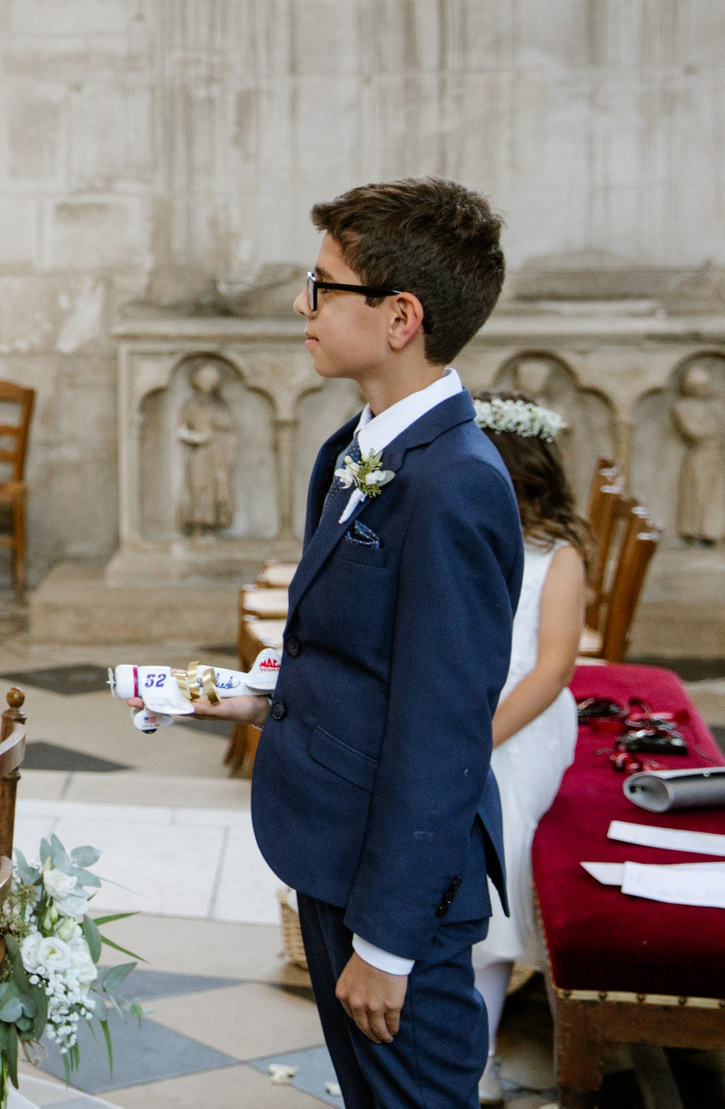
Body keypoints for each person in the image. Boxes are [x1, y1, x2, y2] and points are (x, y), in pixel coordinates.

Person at [186, 179, 519, 1109]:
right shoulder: (356, 445)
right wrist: (254, 695)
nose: (304, 303)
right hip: (338, 843)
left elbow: (444, 728)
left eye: (324, 286)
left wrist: (388, 942)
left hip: (396, 883)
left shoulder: (455, 484)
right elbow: (361, 658)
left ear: (401, 317)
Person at [467, 389, 588, 1106]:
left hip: (522, 726)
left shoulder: (556, 557)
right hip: (460, 718)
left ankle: (477, 1056)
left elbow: (553, 669)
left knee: (496, 861)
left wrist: (478, 741)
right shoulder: (462, 534)